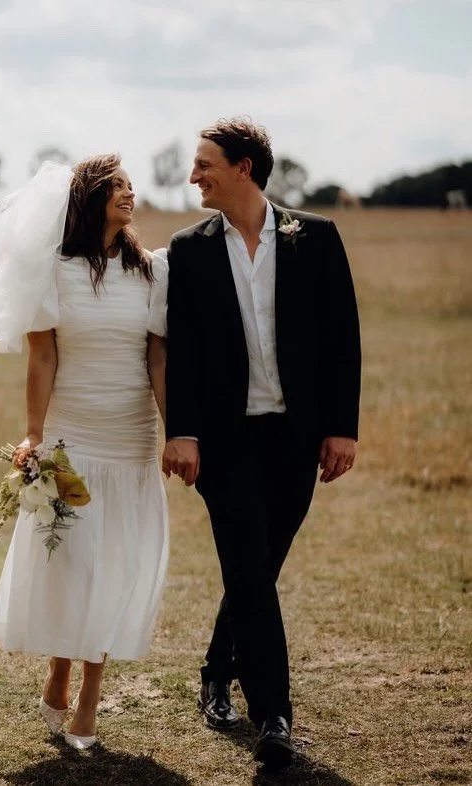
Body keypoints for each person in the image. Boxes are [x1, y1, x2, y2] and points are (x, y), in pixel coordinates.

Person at [162, 117, 361, 770]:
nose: (193, 175)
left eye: (205, 163)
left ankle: (217, 670)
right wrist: (183, 432)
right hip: (224, 444)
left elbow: (341, 340)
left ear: (244, 167)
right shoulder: (189, 251)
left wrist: (342, 427)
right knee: (249, 567)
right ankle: (273, 714)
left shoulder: (318, 239)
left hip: (296, 440)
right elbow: (183, 354)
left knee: (256, 571)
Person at [0, 155, 169, 750]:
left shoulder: (152, 271)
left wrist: (176, 430)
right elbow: (42, 356)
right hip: (73, 436)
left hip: (131, 435)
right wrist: (33, 433)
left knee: (114, 564)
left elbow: (157, 357)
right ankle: (61, 665)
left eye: (132, 186)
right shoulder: (53, 271)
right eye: (118, 187)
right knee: (77, 563)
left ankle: (90, 692)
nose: (130, 194)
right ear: (90, 198)